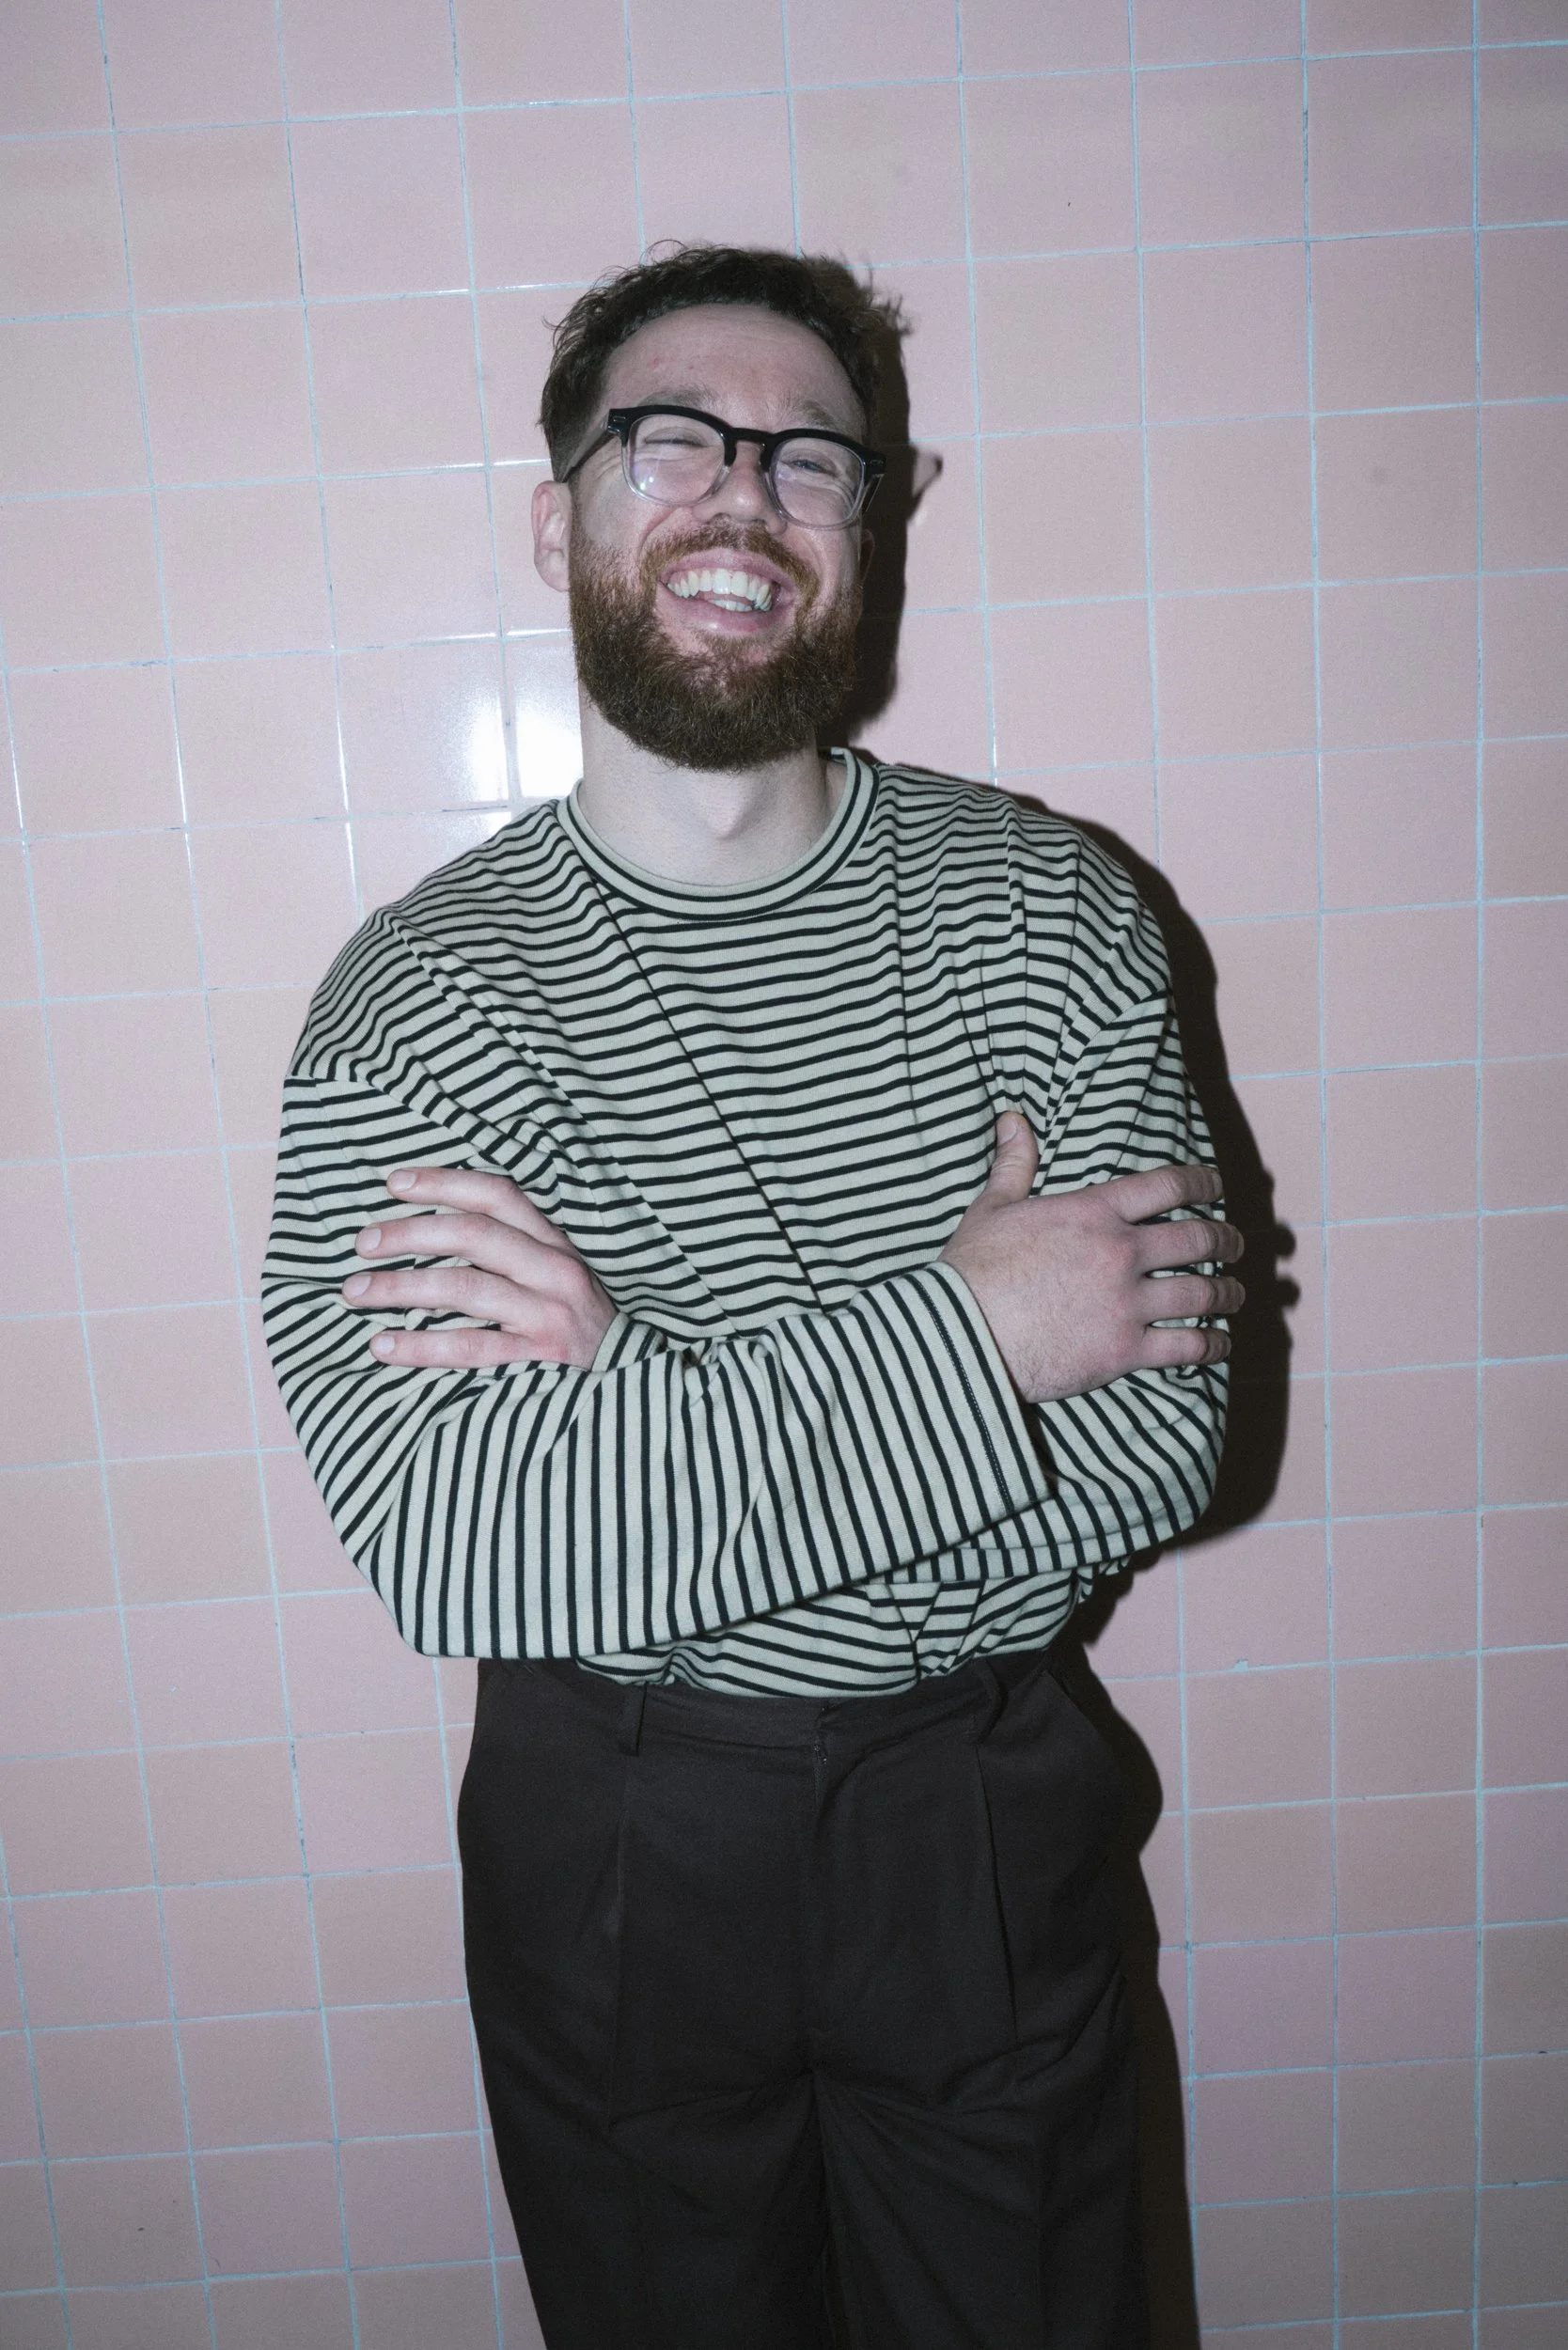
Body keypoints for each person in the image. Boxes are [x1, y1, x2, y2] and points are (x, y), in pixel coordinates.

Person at [261, 244, 1243, 2350]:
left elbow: (1163, 1442)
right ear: (558, 522)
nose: (747, 493)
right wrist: (980, 1334)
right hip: (621, 1833)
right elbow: (462, 1540)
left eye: (814, 459)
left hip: (981, 1802)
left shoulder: (1053, 913)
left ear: (872, 527)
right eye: (674, 442)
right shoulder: (422, 1003)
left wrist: (637, 1390)